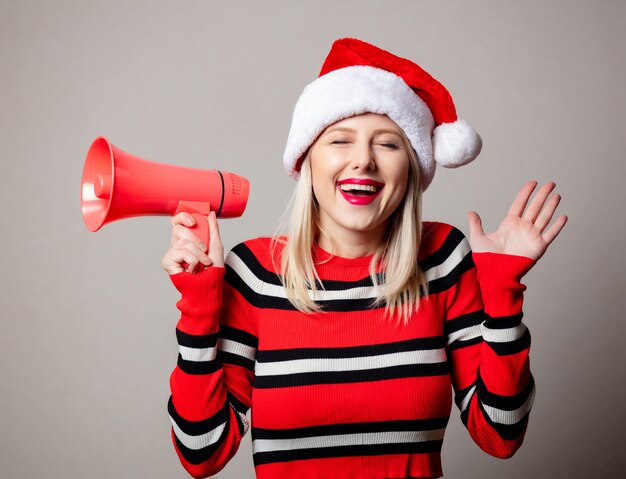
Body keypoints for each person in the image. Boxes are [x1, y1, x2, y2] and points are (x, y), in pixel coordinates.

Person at [161, 38, 567, 479]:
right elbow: (202, 454)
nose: (363, 161)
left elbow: (500, 436)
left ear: (411, 165)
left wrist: (503, 293)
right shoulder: (256, 274)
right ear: (307, 158)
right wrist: (199, 309)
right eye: (340, 139)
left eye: (388, 144)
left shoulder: (444, 259)